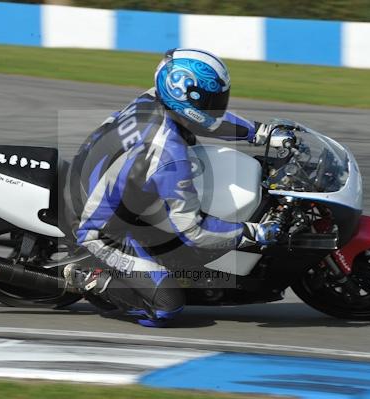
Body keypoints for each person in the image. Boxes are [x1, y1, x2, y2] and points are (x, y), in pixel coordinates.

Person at [65, 48, 288, 327]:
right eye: (210, 101)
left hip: (96, 180)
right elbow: (194, 231)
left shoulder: (154, 98)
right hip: (98, 230)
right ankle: (87, 276)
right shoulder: (167, 155)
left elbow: (210, 121)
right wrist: (251, 232)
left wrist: (259, 132)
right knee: (167, 306)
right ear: (184, 97)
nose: (217, 106)